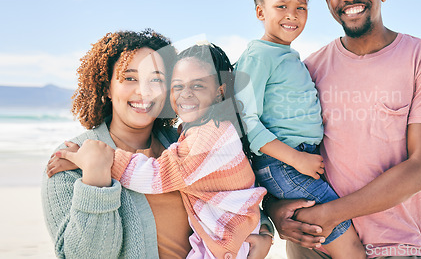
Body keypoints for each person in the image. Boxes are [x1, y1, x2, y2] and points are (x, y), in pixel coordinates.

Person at [265, 0, 421, 259]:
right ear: (328, 2)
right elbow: (276, 148)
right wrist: (274, 210)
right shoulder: (308, 69)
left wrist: (331, 214)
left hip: (395, 246)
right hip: (314, 244)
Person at [42, 30, 273, 258]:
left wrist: (265, 232)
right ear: (107, 87)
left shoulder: (184, 140)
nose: (144, 90)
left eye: (156, 79)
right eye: (130, 78)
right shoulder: (71, 160)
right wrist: (95, 176)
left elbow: (233, 193)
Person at [234, 0, 365, 258]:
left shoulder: (288, 55)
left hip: (297, 162)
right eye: (281, 6)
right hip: (285, 164)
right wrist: (296, 159)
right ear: (260, 12)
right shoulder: (258, 54)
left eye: (300, 7)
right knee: (351, 250)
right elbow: (246, 121)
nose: (292, 14)